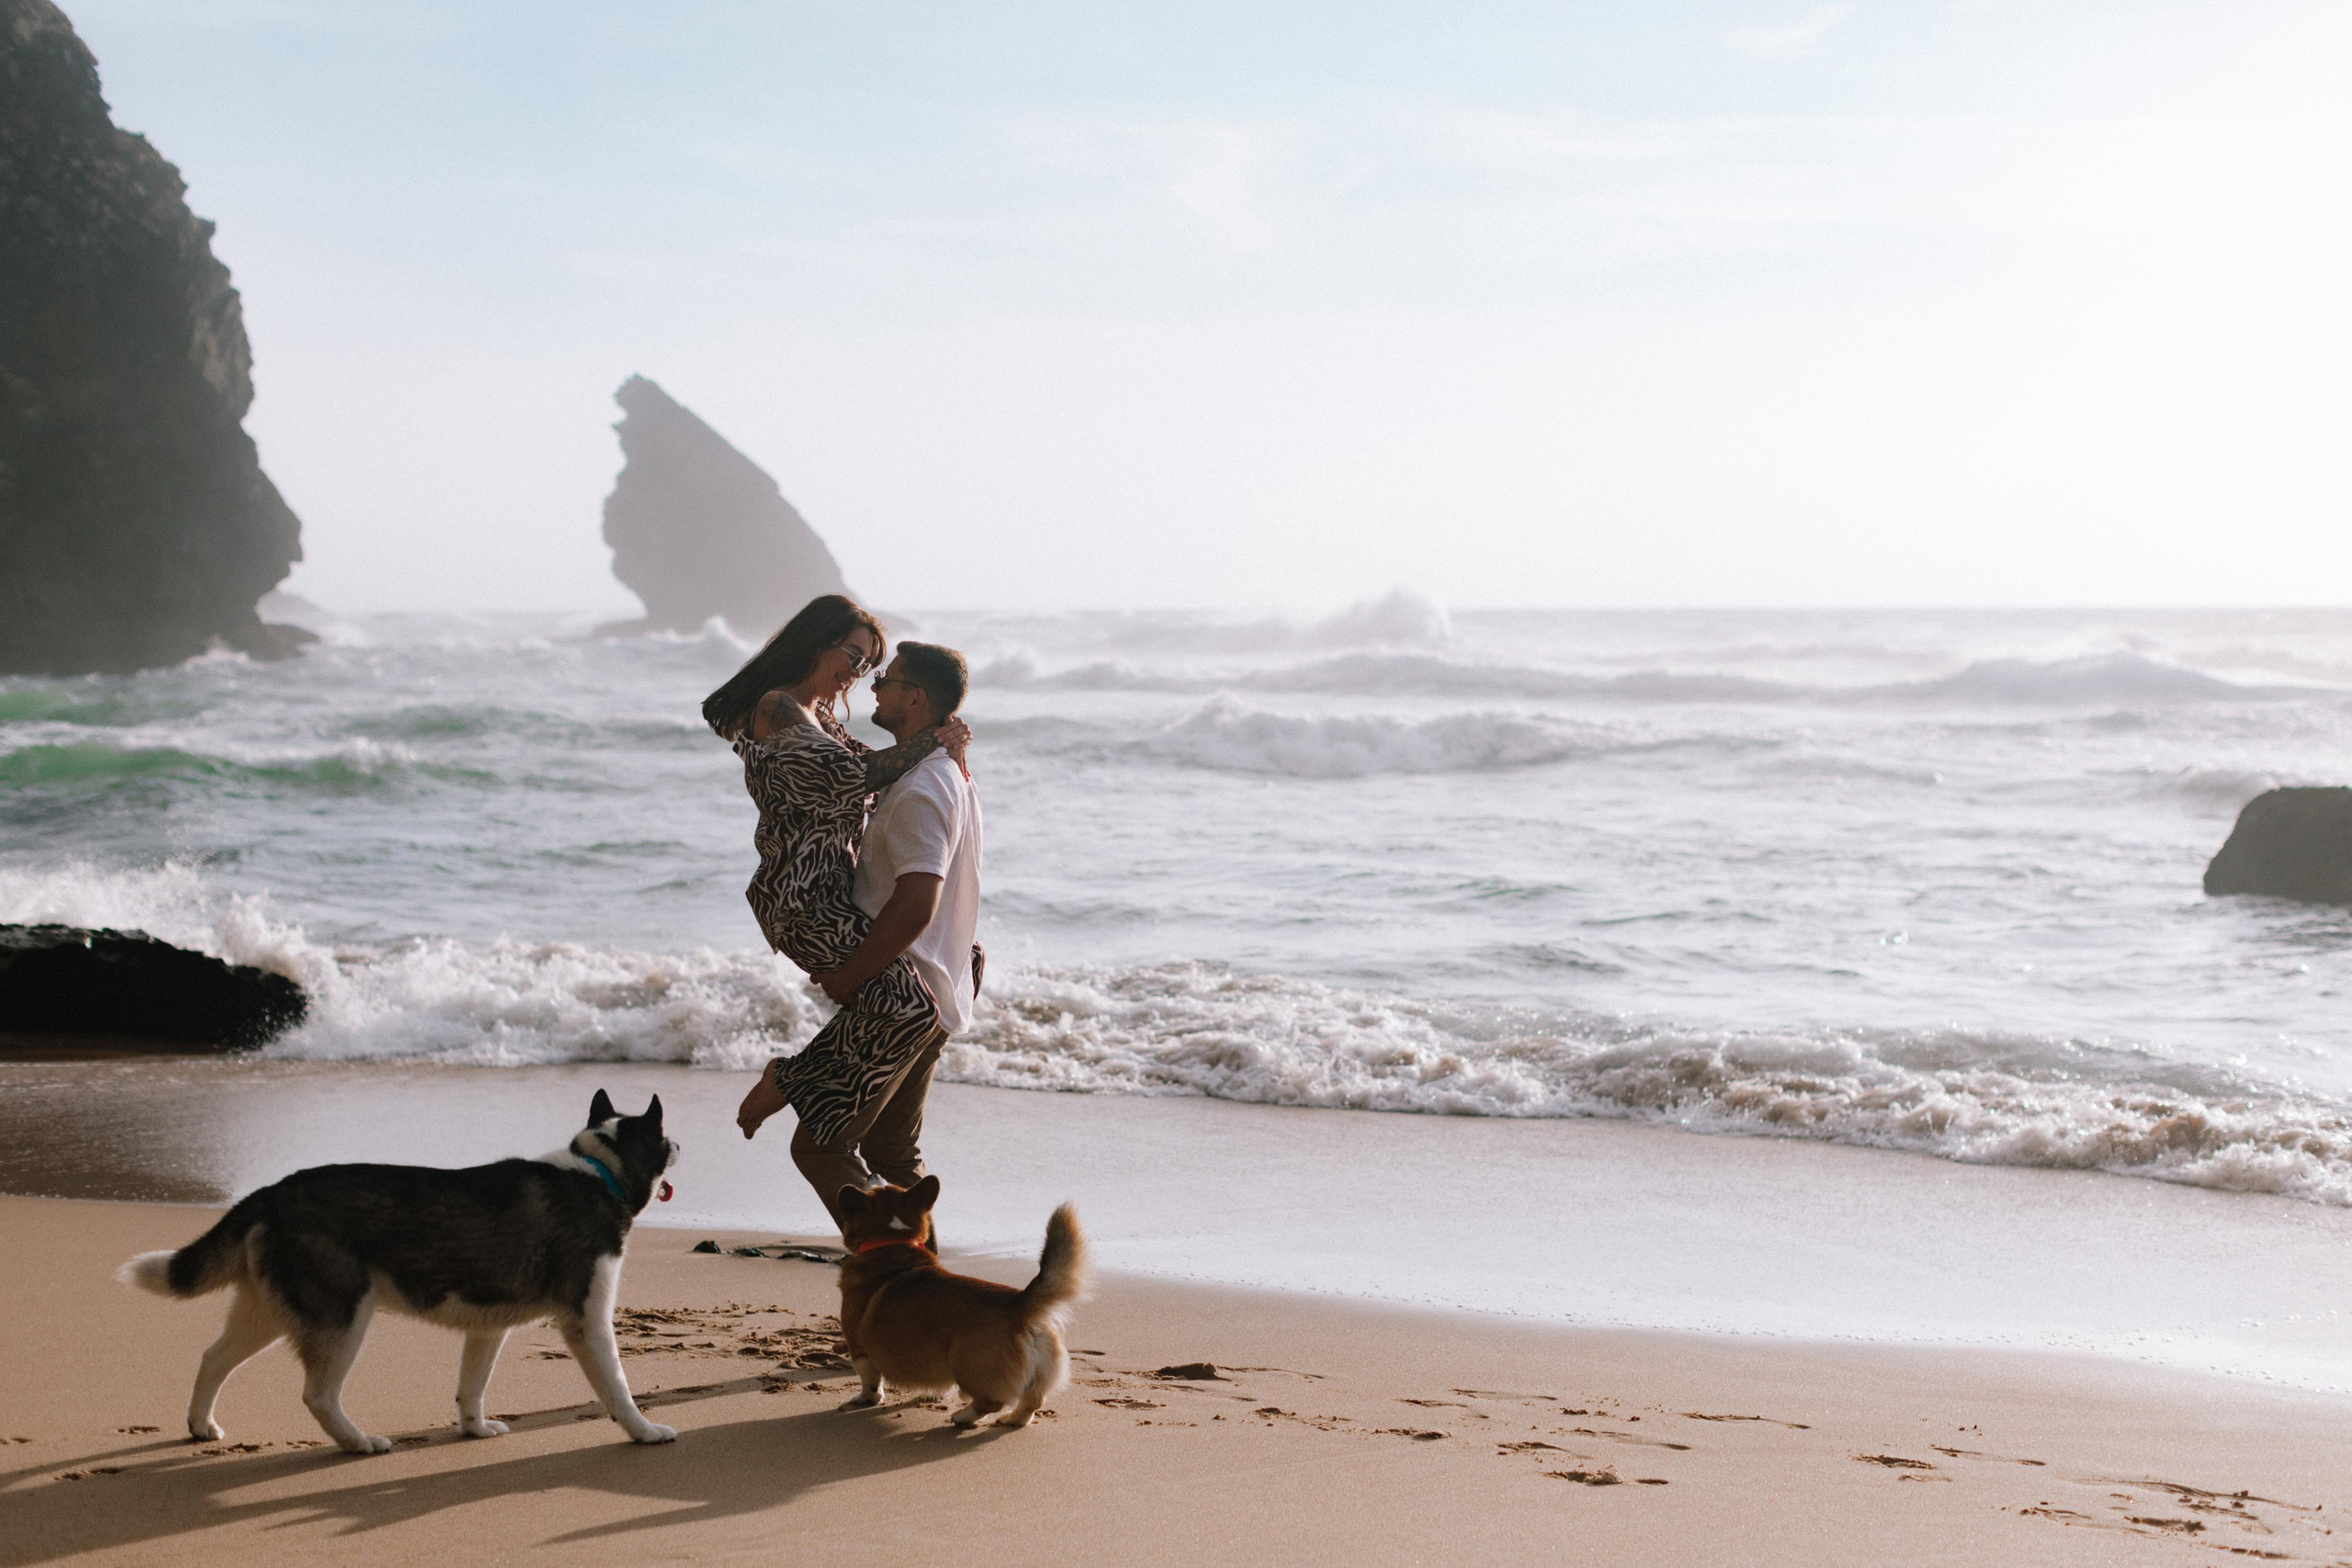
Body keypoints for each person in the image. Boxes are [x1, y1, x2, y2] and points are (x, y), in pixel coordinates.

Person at [703, 596, 980, 1228]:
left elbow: (881, 767)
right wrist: (939, 738)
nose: (857, 675)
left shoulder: (818, 712)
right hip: (802, 897)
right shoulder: (777, 706)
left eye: (870, 666)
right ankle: (792, 1078)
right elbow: (853, 775)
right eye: (853, 658)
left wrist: (944, 745)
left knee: (909, 1012)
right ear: (815, 642)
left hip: (830, 891)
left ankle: (912, 1257)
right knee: (908, 1006)